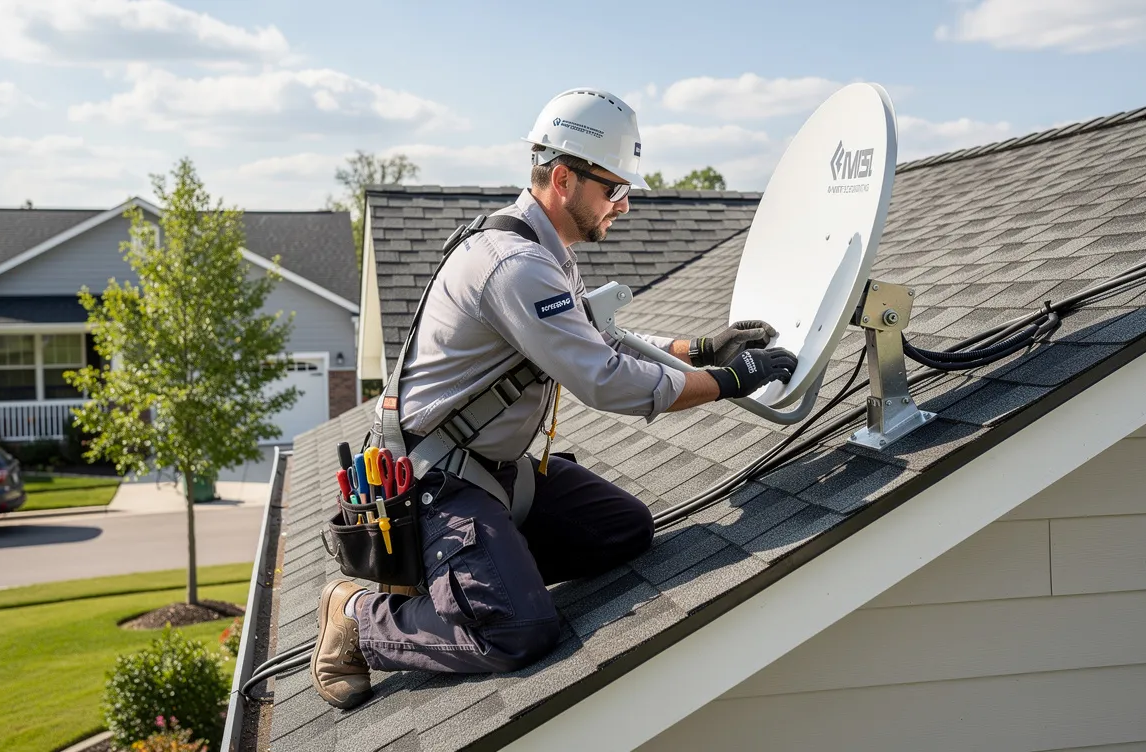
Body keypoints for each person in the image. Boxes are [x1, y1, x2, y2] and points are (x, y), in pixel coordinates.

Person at [311, 88, 797, 708]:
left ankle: (469, 578)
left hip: (494, 473)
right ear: (564, 179)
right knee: (518, 630)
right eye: (613, 189)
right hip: (436, 485)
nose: (624, 205)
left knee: (624, 532)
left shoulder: (545, 251)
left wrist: (701, 350)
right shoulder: (515, 263)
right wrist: (729, 382)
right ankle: (357, 617)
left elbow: (600, 337)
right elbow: (606, 378)